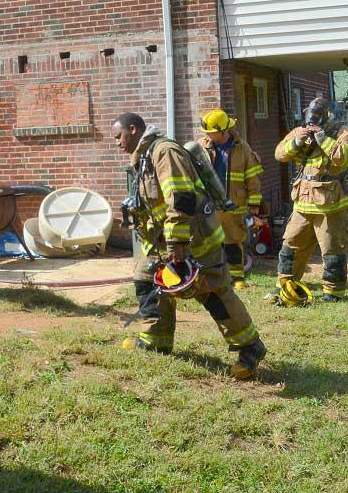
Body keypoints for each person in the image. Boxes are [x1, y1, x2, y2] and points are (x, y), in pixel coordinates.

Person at [112, 112, 267, 379]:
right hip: (164, 244)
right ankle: (156, 340)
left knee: (213, 292)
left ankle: (250, 348)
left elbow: (182, 198)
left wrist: (176, 242)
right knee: (147, 278)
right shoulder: (145, 157)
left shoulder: (164, 153)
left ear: (134, 129)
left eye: (118, 136)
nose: (116, 143)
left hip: (195, 241)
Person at [271, 96, 348, 303]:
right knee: (291, 244)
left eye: (317, 119)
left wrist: (323, 139)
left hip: (331, 204)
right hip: (303, 202)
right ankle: (285, 285)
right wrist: (297, 141)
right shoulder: (300, 131)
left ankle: (333, 292)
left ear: (326, 116)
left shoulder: (342, 132)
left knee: (331, 248)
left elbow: (346, 157)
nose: (312, 123)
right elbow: (279, 154)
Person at [197, 109, 266, 290]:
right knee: (209, 242)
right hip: (209, 204)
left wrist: (253, 204)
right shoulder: (201, 147)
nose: (207, 135)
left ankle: (237, 277)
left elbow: (252, 177)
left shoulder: (242, 148)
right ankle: (211, 277)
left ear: (223, 130)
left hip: (233, 204)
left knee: (233, 241)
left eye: (211, 131)